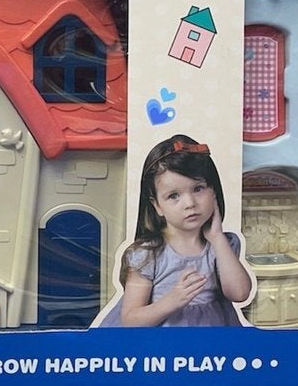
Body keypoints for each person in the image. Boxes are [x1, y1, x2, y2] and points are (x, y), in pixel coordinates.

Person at [97, 136, 255, 327]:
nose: (190, 203)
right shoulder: (148, 254)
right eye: (174, 196)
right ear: (157, 206)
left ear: (213, 191)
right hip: (164, 342)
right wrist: (173, 300)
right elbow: (130, 319)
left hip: (210, 338)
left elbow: (240, 294)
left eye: (198, 189)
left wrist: (217, 237)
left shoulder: (222, 245)